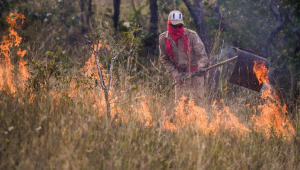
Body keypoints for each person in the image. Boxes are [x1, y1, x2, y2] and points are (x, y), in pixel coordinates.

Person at [159, 10, 208, 105]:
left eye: (179, 25)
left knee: (198, 105)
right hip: (180, 76)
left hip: (195, 74)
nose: (177, 28)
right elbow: (164, 59)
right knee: (180, 106)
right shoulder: (163, 39)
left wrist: (201, 66)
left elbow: (203, 56)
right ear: (169, 23)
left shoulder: (192, 36)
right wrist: (175, 74)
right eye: (174, 26)